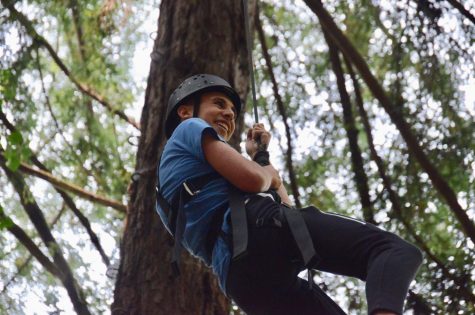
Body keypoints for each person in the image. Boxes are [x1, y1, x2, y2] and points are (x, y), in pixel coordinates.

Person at [156, 74, 423, 315]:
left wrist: (260, 157)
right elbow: (255, 180)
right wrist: (263, 170)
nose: (229, 114)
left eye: (233, 112)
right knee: (392, 251)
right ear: (185, 111)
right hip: (259, 229)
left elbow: (283, 204)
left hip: (241, 280)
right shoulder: (189, 127)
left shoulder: (169, 194)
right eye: (219, 103)